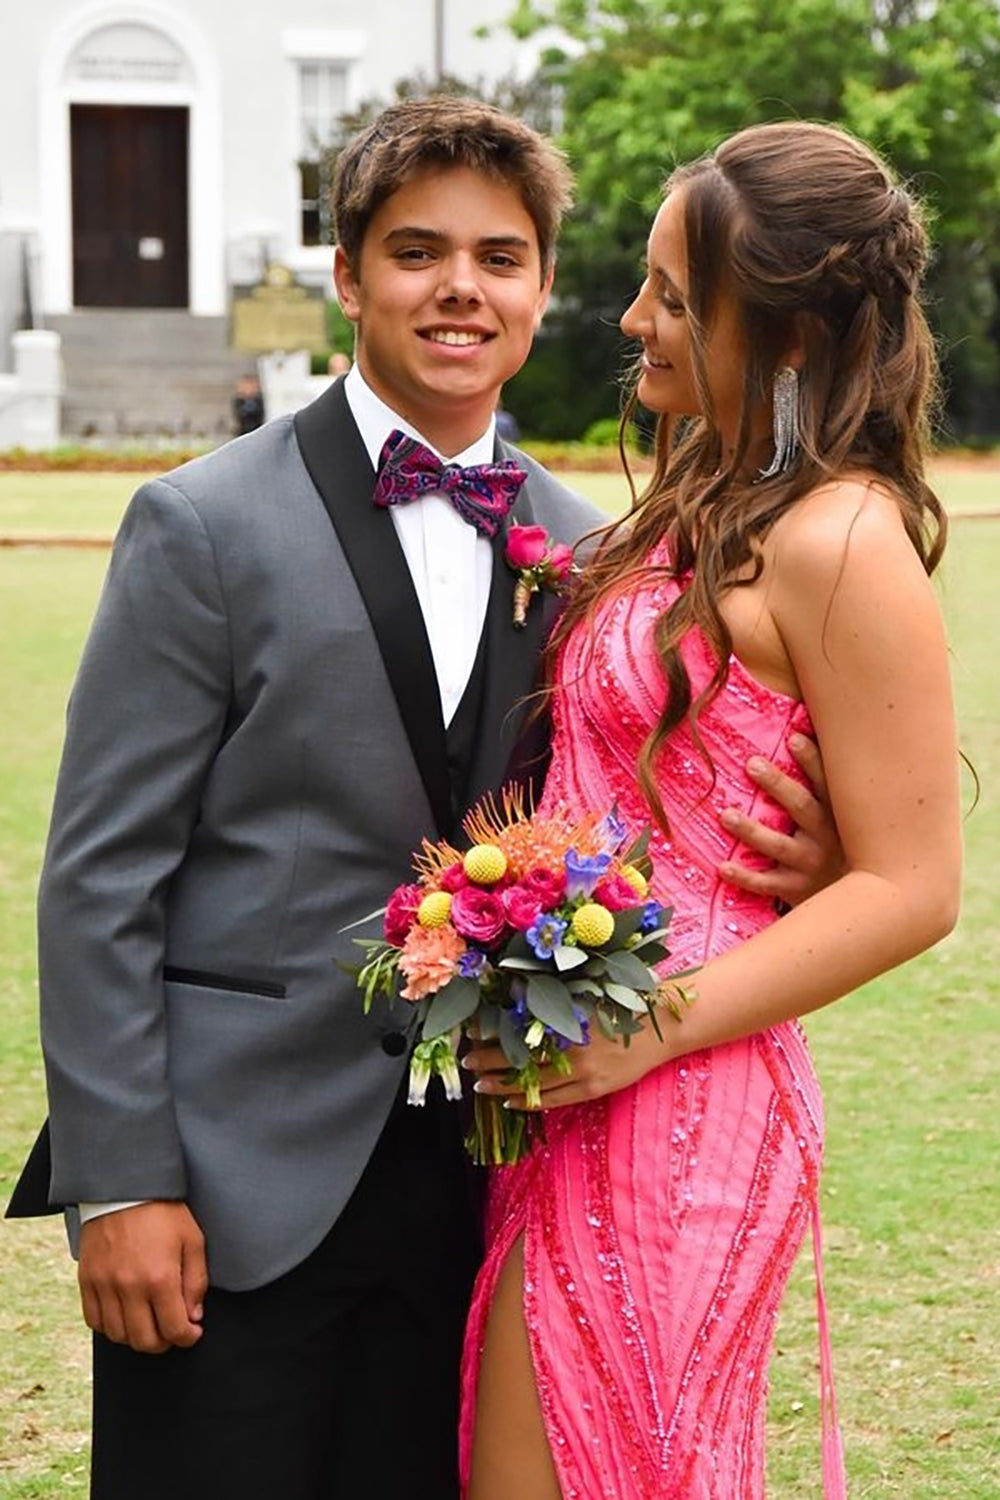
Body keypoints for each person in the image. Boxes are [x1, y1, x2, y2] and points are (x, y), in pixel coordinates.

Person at [7, 100, 840, 1500]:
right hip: (229, 1186)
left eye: (500, 257)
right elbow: (99, 879)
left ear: (539, 289)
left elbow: (655, 800)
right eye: (416, 251)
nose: (462, 287)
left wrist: (799, 860)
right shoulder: (200, 524)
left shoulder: (599, 553)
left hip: (490, 1175)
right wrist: (123, 1182)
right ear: (347, 275)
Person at [462, 121, 962, 1499]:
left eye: (676, 297)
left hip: (682, 1098)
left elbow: (917, 887)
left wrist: (640, 1032)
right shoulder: (706, 500)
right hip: (579, 1085)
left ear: (789, 339)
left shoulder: (843, 540)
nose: (632, 318)